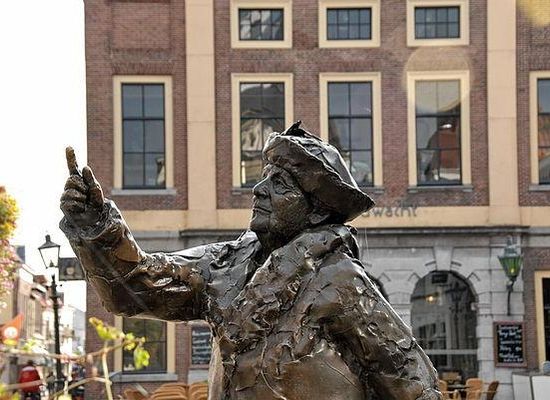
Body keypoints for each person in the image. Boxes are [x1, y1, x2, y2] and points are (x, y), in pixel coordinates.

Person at [60, 122, 442, 399]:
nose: (259, 190)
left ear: (315, 211)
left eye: (280, 185)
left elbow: (410, 381)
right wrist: (96, 224)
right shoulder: (222, 265)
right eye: (264, 178)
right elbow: (138, 286)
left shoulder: (339, 279)